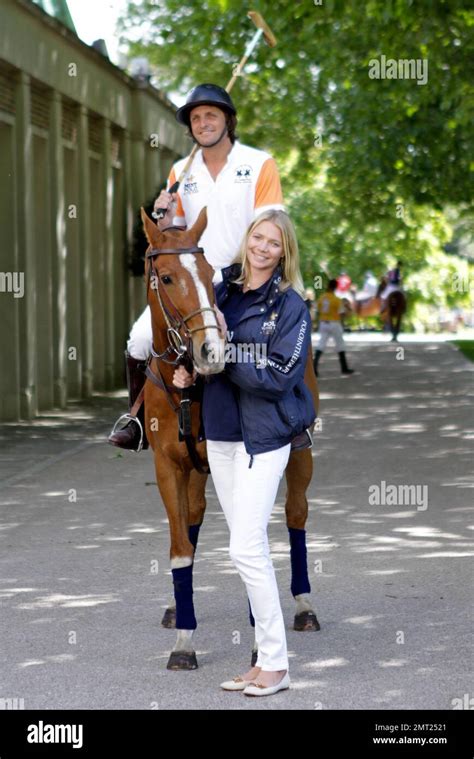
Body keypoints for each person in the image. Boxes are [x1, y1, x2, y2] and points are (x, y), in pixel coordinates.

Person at [173, 209, 316, 697]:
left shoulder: (291, 306)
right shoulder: (222, 293)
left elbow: (279, 375)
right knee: (247, 549)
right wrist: (191, 373)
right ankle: (262, 664)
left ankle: (275, 665)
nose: (262, 247)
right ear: (247, 240)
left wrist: (227, 357)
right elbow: (202, 349)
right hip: (222, 435)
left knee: (244, 547)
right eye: (258, 237)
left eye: (274, 242)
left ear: (284, 251)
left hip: (265, 438)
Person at [108, 83, 284, 450]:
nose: (203, 123)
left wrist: (254, 276)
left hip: (244, 279)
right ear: (190, 127)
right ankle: (139, 419)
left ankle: (289, 423)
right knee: (140, 339)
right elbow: (176, 237)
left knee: (259, 345)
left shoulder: (259, 163)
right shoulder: (180, 172)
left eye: (211, 116)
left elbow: (271, 227)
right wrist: (167, 216)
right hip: (192, 281)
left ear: (228, 121)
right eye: (196, 118)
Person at [313, 279, 354, 376]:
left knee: (321, 345)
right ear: (335, 287)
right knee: (340, 345)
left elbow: (318, 311)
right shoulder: (336, 300)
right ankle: (344, 368)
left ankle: (314, 368)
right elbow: (341, 313)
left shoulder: (321, 298)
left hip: (323, 323)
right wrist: (347, 308)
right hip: (334, 323)